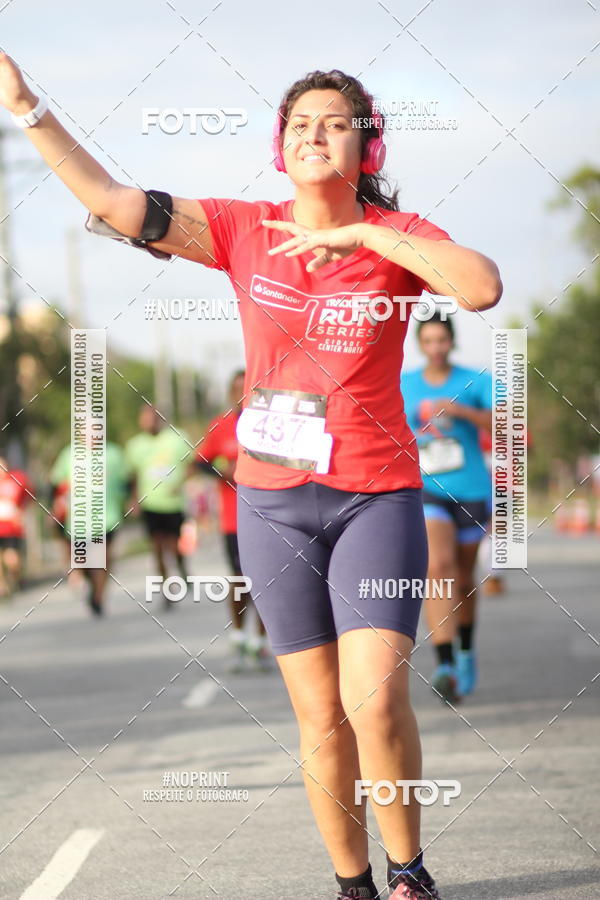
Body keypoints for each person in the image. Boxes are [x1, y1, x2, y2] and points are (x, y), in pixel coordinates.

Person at [0, 58, 502, 899]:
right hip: (273, 502)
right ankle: (352, 884)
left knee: (373, 700)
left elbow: (482, 287)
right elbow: (116, 203)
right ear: (280, 144)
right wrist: (28, 108)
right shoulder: (243, 229)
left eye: (335, 121)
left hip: (374, 494)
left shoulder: (400, 239)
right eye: (299, 121)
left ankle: (409, 869)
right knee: (319, 715)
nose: (314, 131)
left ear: (366, 146)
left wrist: (367, 234)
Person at [402, 314, 494, 703]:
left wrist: (462, 412)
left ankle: (467, 651)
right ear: (420, 344)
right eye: (429, 340)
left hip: (472, 491)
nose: (436, 346)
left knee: (463, 577)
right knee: (437, 567)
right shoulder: (404, 383)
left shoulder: (476, 379)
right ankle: (444, 664)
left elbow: (506, 422)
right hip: (427, 490)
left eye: (442, 340)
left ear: (451, 342)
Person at [196, 369, 270, 671]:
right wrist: (223, 473)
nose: (244, 395)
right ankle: (239, 635)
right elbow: (199, 463)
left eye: (248, 389)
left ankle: (261, 642)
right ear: (231, 394)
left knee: (267, 579)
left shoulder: (271, 422)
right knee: (240, 578)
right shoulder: (221, 426)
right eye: (238, 389)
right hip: (233, 519)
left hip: (268, 514)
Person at [49, 440, 130, 615]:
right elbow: (55, 484)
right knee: (84, 561)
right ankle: (92, 585)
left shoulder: (114, 454)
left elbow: (127, 481)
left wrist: (129, 501)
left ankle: (98, 597)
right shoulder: (68, 454)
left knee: (103, 559)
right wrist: (54, 508)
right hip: (79, 519)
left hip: (107, 516)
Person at [125, 404, 191, 608]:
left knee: (174, 545)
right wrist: (133, 500)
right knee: (157, 548)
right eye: (144, 419)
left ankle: (181, 567)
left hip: (173, 503)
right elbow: (133, 476)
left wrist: (179, 484)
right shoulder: (135, 445)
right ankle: (167, 589)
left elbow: (192, 466)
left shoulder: (177, 438)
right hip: (150, 503)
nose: (148, 423)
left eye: (151, 418)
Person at [0, 457, 32, 596]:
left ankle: (16, 577)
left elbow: (29, 494)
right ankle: (2, 587)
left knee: (11, 558)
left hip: (10, 527)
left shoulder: (16, 479)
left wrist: (21, 511)